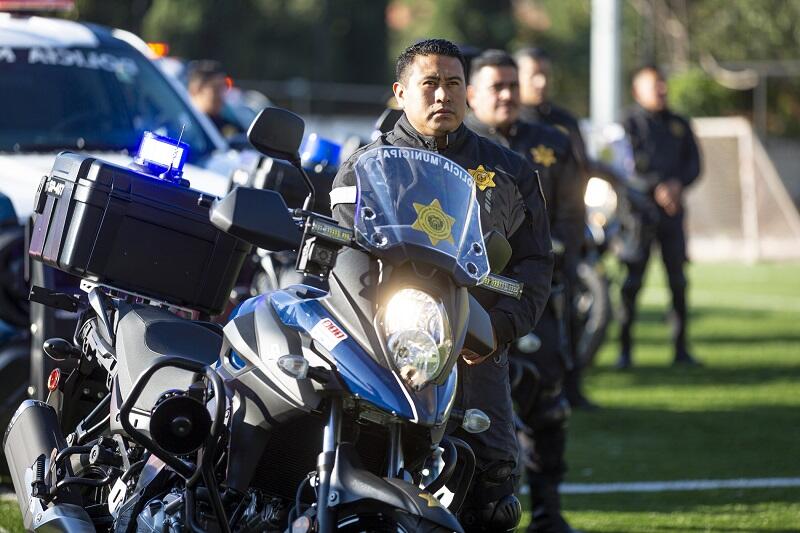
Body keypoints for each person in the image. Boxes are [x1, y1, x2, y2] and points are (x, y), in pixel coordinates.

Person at [330, 39, 554, 532]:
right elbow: (343, 256)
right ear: (400, 92)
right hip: (381, 351)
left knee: (493, 494)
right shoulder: (363, 168)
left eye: (453, 83)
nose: (442, 96)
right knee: (364, 476)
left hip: (475, 348)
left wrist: (497, 328)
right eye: (429, 83)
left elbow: (536, 263)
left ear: (467, 92)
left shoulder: (511, 171)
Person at [465, 49, 583, 533]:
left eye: (513, 85)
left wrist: (553, 267)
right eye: (497, 86)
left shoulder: (551, 142)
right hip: (471, 303)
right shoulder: (457, 146)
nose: (508, 95)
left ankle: (549, 513)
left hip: (536, 298)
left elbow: (573, 215)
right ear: (472, 94)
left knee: (546, 404)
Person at [514, 47, 595, 410]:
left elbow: (581, 170)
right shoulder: (500, 125)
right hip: (519, 245)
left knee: (572, 313)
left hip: (562, 236)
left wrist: (569, 237)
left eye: (545, 73)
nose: (541, 82)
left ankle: (572, 386)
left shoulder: (564, 122)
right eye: (533, 74)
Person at [616, 65, 702, 369]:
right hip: (638, 217)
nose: (662, 90)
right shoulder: (627, 123)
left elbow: (694, 163)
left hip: (673, 216)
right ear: (638, 91)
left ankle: (681, 349)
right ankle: (624, 351)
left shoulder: (679, 123)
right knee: (631, 284)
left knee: (678, 281)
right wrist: (655, 188)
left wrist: (677, 185)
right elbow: (624, 167)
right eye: (655, 85)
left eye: (663, 84)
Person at [186, 60, 245, 138]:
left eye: (223, 88)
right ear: (196, 89)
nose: (221, 95)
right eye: (216, 89)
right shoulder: (184, 126)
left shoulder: (229, 127)